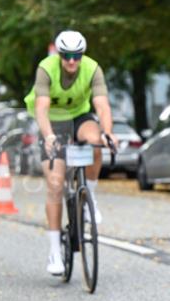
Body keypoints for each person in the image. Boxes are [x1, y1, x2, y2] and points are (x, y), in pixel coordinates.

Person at [24, 31, 116, 276]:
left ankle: (89, 199)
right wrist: (49, 136)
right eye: (67, 55)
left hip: (78, 117)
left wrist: (108, 132)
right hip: (52, 122)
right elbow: (41, 108)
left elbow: (102, 105)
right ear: (59, 54)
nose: (72, 61)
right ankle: (55, 250)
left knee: (96, 140)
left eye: (77, 55)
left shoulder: (92, 68)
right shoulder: (46, 68)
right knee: (55, 184)